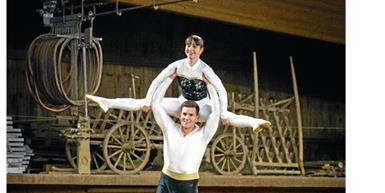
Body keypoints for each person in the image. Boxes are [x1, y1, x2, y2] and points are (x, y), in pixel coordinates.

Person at [86, 34, 270, 133]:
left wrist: (221, 112)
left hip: (203, 106)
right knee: (143, 102)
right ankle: (107, 102)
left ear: (201, 50)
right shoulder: (178, 65)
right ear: (185, 48)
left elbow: (221, 90)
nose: (190, 49)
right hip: (183, 103)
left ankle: (254, 122)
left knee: (227, 116)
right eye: (188, 46)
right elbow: (158, 80)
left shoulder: (205, 69)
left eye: (194, 47)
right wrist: (149, 100)